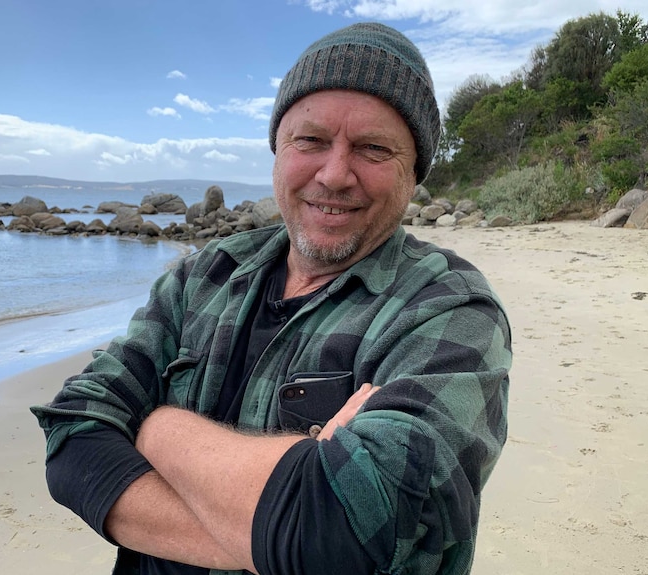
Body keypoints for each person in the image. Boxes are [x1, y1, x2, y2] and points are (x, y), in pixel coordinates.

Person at [31, 21, 511, 575]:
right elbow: (71, 432)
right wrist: (277, 523)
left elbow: (346, 530)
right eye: (310, 141)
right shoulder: (203, 276)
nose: (334, 175)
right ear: (277, 152)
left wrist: (157, 427)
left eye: (373, 149)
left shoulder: (449, 311)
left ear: (414, 174)